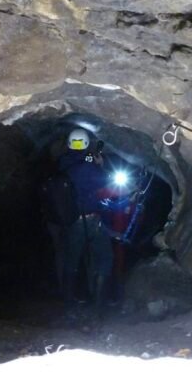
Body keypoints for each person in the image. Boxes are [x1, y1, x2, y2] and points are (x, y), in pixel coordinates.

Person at [58, 128, 114, 307]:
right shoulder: (89, 167)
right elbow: (107, 182)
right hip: (91, 220)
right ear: (86, 144)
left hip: (71, 220)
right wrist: (100, 165)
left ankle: (68, 302)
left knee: (71, 260)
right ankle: (99, 303)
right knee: (105, 258)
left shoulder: (62, 163)